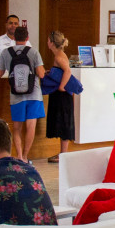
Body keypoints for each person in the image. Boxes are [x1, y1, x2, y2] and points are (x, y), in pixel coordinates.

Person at [0, 25, 45, 163]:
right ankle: (25, 156)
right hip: (34, 95)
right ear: (27, 38)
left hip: (16, 95)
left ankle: (19, 156)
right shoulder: (34, 52)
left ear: (14, 38)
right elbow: (41, 74)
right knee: (31, 126)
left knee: (17, 128)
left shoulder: (6, 52)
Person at [44, 30, 75, 163]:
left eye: (48, 40)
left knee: (64, 121)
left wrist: (62, 86)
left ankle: (63, 154)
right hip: (59, 94)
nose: (47, 42)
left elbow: (67, 71)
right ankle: (62, 153)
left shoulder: (59, 56)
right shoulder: (58, 55)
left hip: (62, 94)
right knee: (62, 121)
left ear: (51, 42)